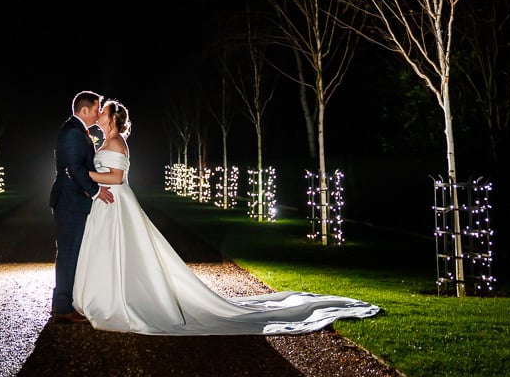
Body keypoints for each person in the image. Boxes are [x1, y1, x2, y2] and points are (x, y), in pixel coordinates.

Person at [72, 99, 381, 335]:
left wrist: (83, 174)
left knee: (123, 252)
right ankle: (109, 297)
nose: (98, 114)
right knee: (111, 252)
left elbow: (115, 177)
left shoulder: (115, 143)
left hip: (116, 200)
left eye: (102, 111)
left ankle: (121, 302)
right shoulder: (104, 141)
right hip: (107, 203)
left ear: (112, 118)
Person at [49, 90, 115, 324]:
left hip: (73, 199)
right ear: (84, 110)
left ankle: (64, 302)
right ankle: (63, 306)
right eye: (96, 108)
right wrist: (97, 191)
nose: (98, 113)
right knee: (68, 252)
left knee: (72, 251)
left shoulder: (76, 131)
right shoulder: (73, 133)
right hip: (70, 200)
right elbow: (75, 168)